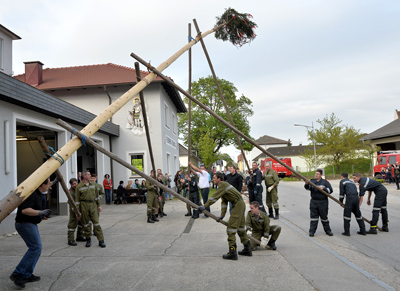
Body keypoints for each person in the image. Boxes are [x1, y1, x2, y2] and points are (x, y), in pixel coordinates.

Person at [10, 177, 52, 288]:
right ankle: (18, 273)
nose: (50, 186)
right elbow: (25, 210)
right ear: (42, 185)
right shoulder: (32, 194)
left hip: (30, 224)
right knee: (35, 247)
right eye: (48, 184)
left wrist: (41, 214)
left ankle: (26, 274)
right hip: (24, 224)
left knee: (36, 248)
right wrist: (40, 212)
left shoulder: (38, 193)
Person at [198, 172, 251, 260]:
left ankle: (232, 252)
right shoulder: (223, 187)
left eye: (214, 178)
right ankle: (247, 249)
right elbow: (224, 203)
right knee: (241, 228)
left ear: (219, 179)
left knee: (231, 229)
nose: (213, 179)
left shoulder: (222, 185)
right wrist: (222, 216)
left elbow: (214, 197)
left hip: (237, 205)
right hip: (239, 204)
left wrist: (205, 206)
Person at [75, 171, 106, 248]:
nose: (90, 176)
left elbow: (97, 196)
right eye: (89, 175)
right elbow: (77, 201)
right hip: (84, 206)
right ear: (84, 176)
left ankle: (101, 241)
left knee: (96, 223)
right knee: (86, 224)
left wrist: (99, 205)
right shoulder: (79, 187)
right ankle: (88, 239)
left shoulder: (94, 185)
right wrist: (77, 212)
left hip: (93, 205)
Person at [304, 169, 333, 237]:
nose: (316, 175)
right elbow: (308, 188)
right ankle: (312, 232)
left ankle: (328, 231)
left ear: (321, 175)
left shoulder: (325, 182)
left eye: (317, 174)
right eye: (315, 174)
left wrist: (324, 189)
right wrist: (306, 184)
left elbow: (330, 190)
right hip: (314, 202)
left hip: (323, 202)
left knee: (324, 218)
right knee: (314, 218)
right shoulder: (312, 181)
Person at [67, 178, 86, 246]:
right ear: (71, 185)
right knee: (72, 224)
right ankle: (70, 239)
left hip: (80, 208)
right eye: (73, 184)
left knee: (81, 223)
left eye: (75, 183)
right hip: (73, 210)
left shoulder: (78, 189)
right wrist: (76, 212)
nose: (75, 185)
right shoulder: (70, 192)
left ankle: (79, 236)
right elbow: (71, 202)